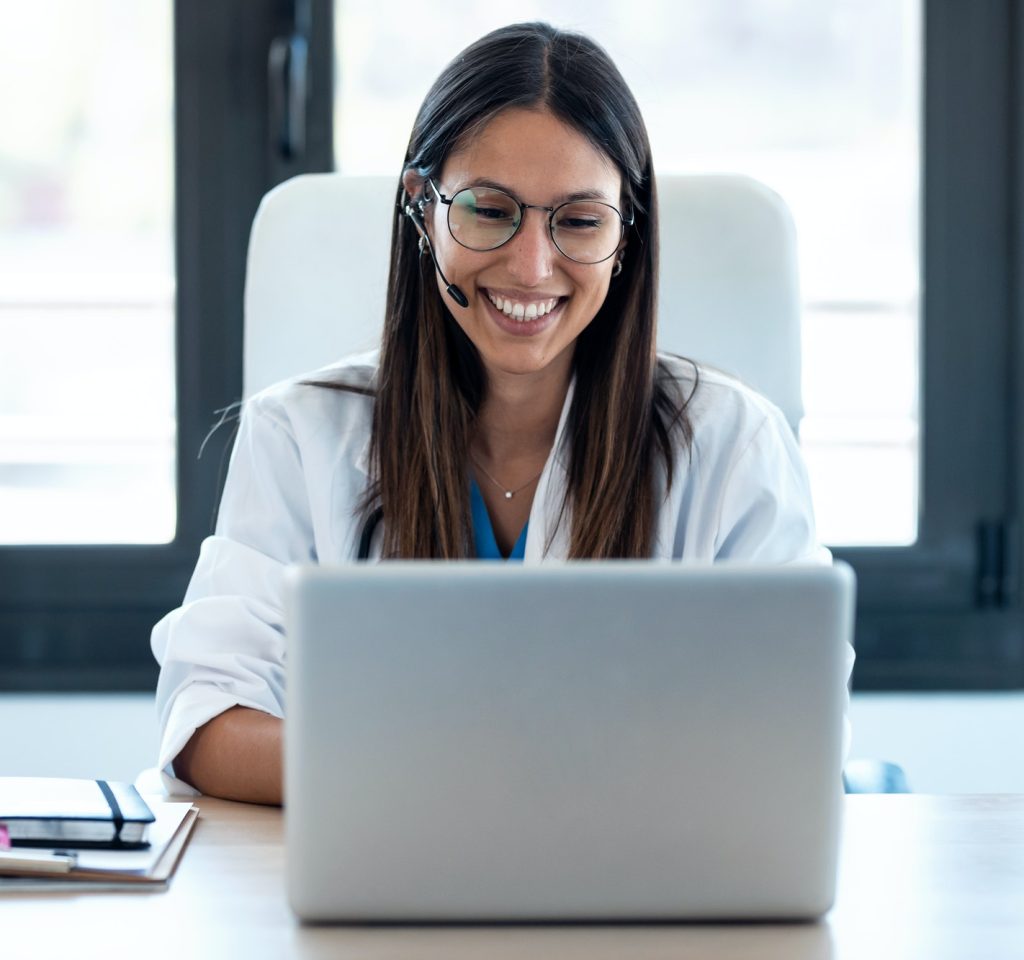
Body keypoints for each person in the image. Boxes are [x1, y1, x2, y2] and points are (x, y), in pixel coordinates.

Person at [151, 21, 836, 806]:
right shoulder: (298, 438)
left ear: (626, 235)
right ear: (422, 208)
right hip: (388, 889)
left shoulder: (733, 446)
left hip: (639, 900)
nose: (532, 266)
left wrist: (453, 767)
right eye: (488, 210)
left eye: (579, 221)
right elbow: (206, 721)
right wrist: (467, 776)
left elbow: (794, 731)